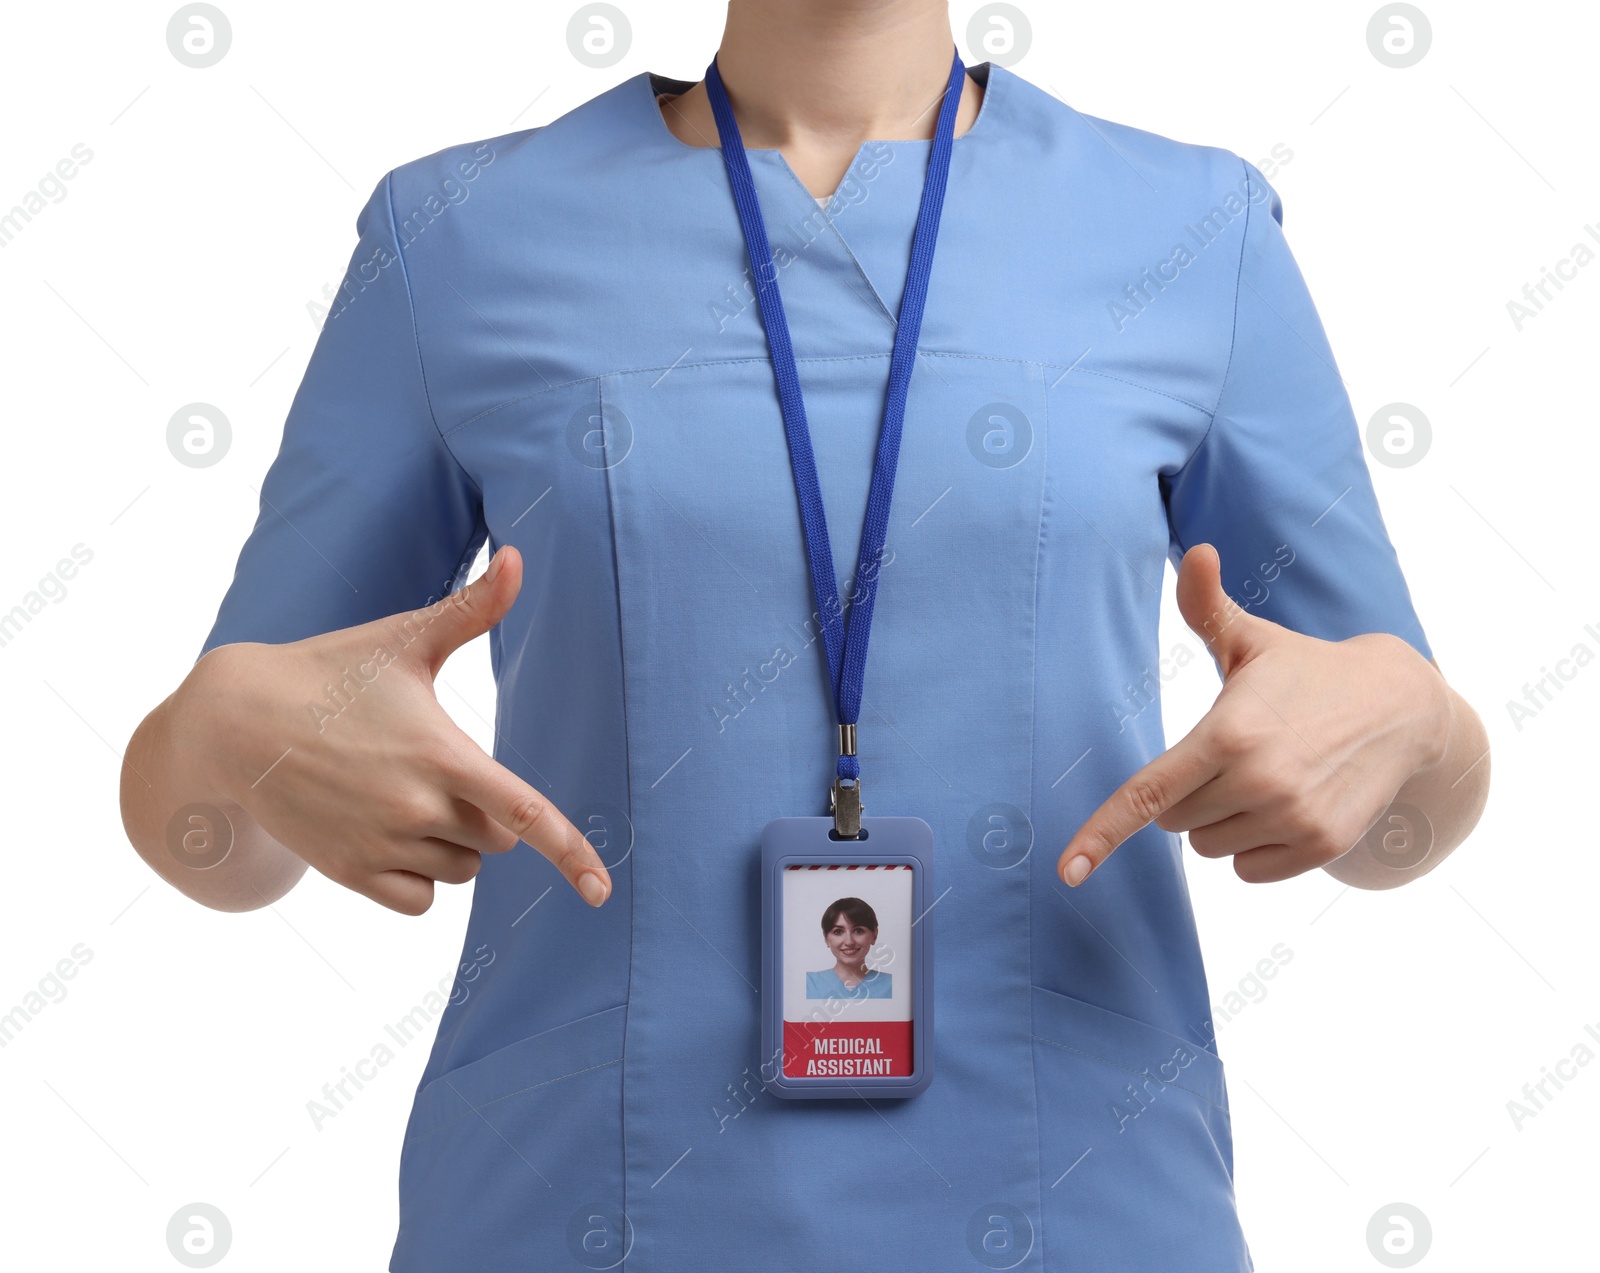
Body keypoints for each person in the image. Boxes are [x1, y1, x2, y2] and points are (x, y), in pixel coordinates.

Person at [117, 1, 1490, 1268]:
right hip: (574, 1208)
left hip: (1088, 1203)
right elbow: (218, 838)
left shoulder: (1195, 232)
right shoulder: (460, 235)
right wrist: (231, 736)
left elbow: (1400, 796)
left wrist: (1413, 730)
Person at [806, 896, 893, 998]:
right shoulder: (808, 984)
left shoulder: (892, 985)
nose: (849, 942)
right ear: (826, 938)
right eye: (838, 932)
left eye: (858, 931)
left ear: (874, 935)